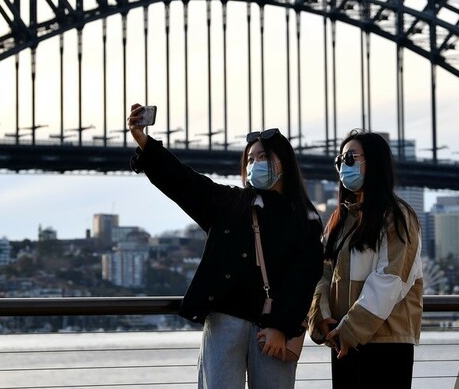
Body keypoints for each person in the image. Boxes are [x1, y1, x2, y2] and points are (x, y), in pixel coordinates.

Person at [126, 104, 324, 389]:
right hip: (224, 323)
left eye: (263, 157)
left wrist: (281, 327)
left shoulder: (306, 219)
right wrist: (145, 143)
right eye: (250, 159)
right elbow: (186, 183)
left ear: (284, 163)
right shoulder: (230, 204)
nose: (255, 164)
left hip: (274, 330)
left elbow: (303, 280)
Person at [308, 129, 423, 388]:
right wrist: (322, 317)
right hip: (342, 340)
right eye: (340, 160)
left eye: (350, 158)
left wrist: (350, 329)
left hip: (386, 342)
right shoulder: (339, 221)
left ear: (375, 163)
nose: (343, 166)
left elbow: (390, 279)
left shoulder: (397, 217)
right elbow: (321, 274)